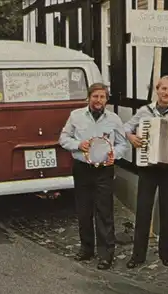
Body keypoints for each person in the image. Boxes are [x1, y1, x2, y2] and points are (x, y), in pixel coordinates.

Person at [123, 75, 168, 268]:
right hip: (148, 167)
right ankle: (137, 256)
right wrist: (131, 137)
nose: (166, 93)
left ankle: (166, 254)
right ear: (157, 89)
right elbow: (125, 127)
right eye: (164, 89)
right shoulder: (144, 111)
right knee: (143, 211)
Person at [59, 83, 128, 270]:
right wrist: (78, 145)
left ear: (107, 99)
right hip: (82, 168)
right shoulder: (76, 116)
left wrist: (115, 154)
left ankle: (106, 254)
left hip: (104, 171)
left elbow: (123, 144)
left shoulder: (114, 119)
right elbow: (63, 138)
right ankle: (86, 249)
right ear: (89, 97)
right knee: (84, 210)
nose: (99, 100)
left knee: (104, 212)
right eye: (95, 96)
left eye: (102, 97)